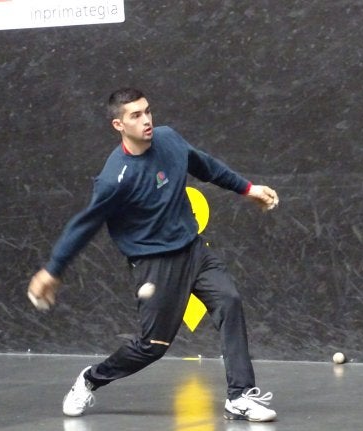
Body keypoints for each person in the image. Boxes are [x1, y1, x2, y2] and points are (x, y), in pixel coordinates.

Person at [27, 88, 279, 422]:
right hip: (154, 265)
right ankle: (90, 379)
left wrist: (247, 188)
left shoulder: (169, 140)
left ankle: (240, 396)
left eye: (147, 111)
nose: (146, 120)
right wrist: (53, 269)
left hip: (193, 250)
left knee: (229, 301)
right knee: (152, 346)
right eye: (135, 115)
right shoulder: (116, 178)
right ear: (119, 124)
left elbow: (205, 165)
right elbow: (85, 224)